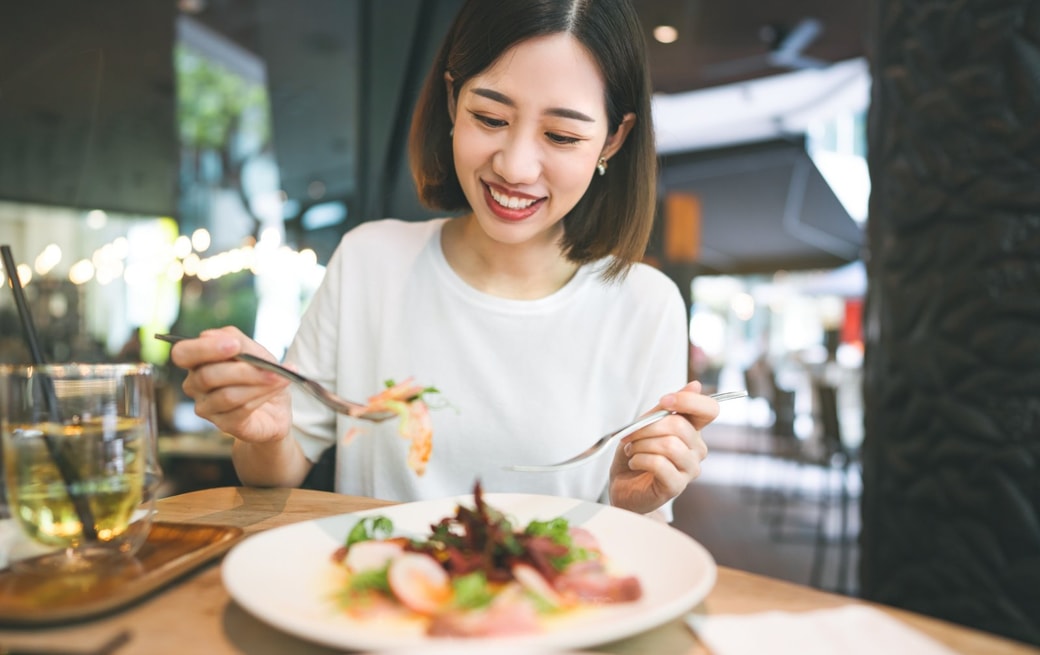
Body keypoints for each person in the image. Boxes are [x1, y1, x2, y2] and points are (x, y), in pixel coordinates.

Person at [168, 0, 719, 521]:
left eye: (561, 134)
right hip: (373, 606)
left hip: (556, 614)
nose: (517, 166)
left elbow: (641, 556)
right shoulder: (370, 261)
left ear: (614, 140)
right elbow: (277, 471)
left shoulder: (645, 306)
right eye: (490, 118)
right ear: (453, 100)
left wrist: (632, 507)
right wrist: (261, 433)